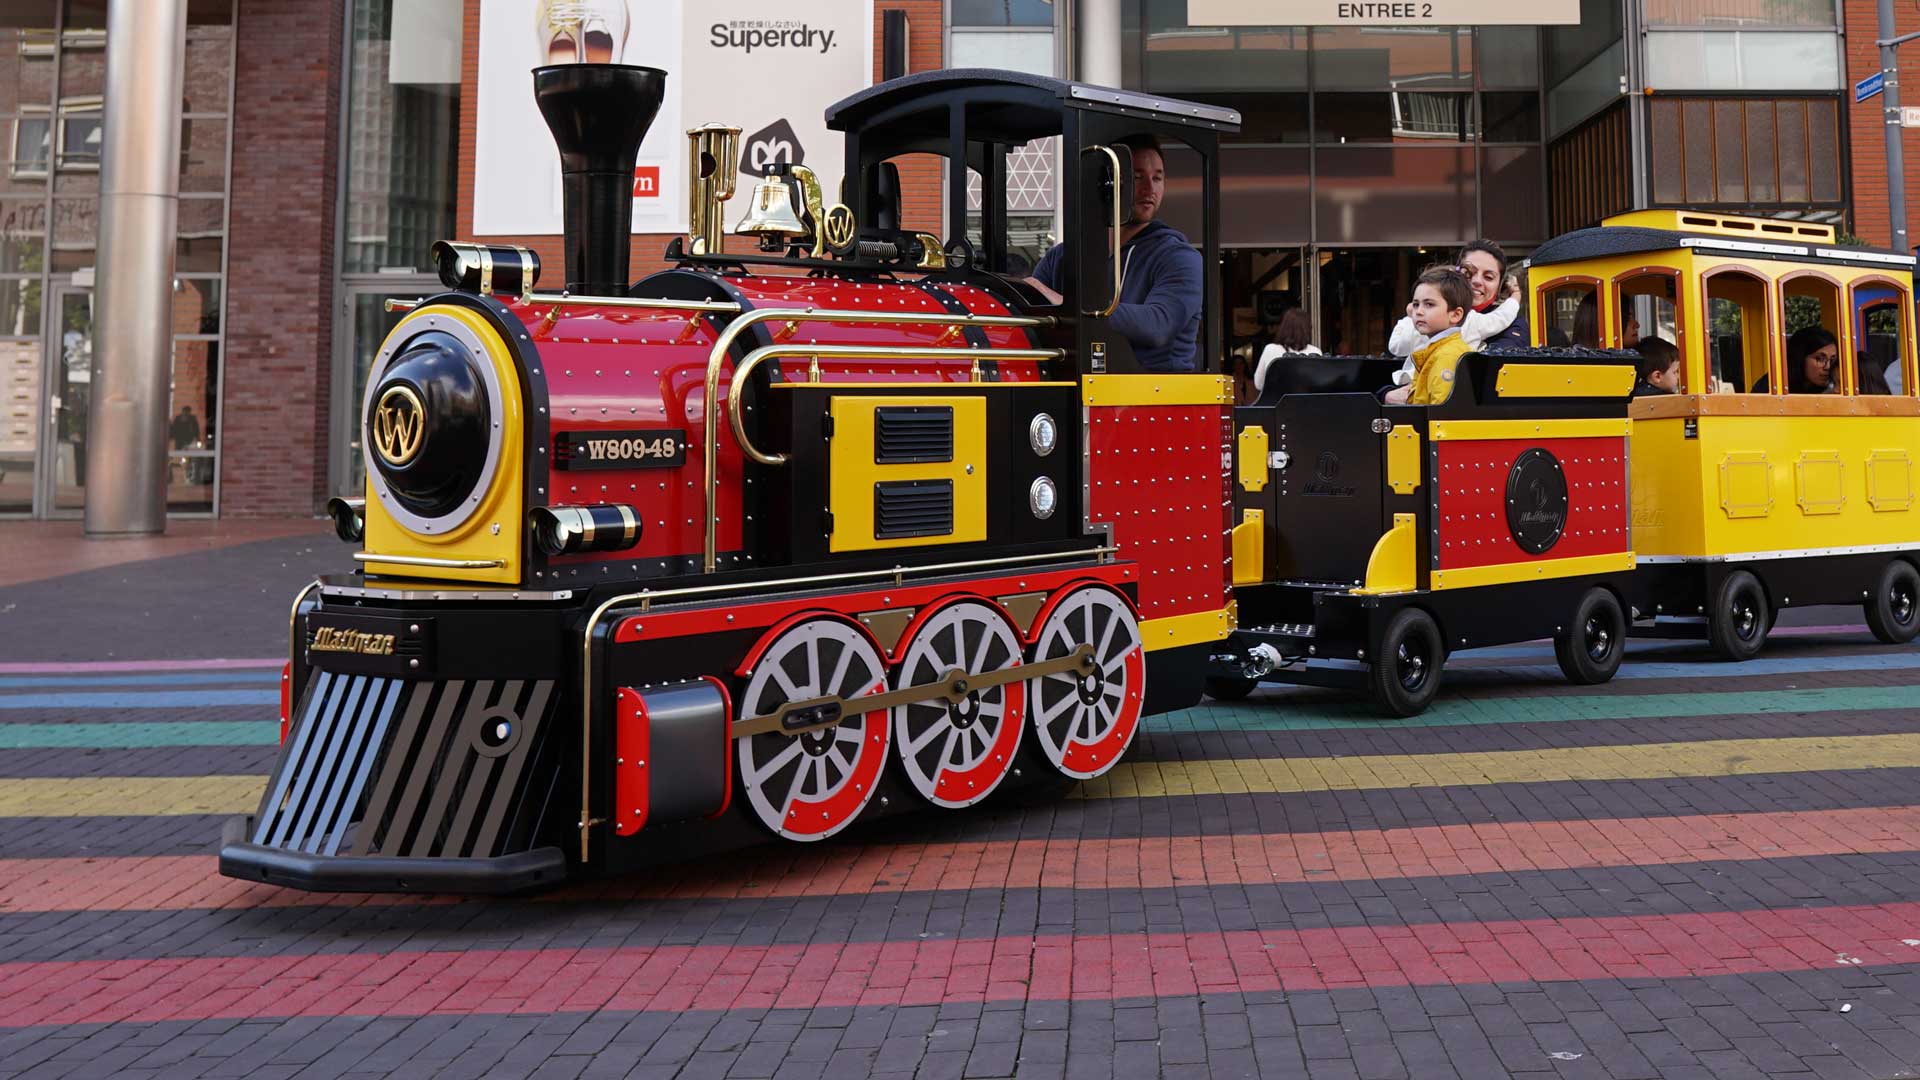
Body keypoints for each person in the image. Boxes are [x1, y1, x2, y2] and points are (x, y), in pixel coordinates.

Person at [1026, 134, 1203, 373]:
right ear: (1108, 182)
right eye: (1137, 177)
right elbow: (1033, 314)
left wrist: (1068, 306)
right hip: (1074, 387)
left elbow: (1158, 324)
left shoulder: (1179, 257)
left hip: (1155, 396)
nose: (1150, 188)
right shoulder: (1062, 256)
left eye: (1157, 178)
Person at [1388, 240, 1526, 385]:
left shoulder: (1511, 325)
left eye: (1488, 277)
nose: (1477, 281)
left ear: (1500, 286)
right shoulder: (1425, 319)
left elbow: (1492, 372)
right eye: (1468, 273)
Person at [1384, 265, 1473, 406]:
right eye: (1415, 304)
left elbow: (1440, 414)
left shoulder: (1446, 356)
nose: (1418, 311)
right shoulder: (1437, 350)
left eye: (1429, 304)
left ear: (1455, 315)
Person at [1251, 307, 1320, 393]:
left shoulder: (1271, 349)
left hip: (1278, 404)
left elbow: (1258, 384)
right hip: (1307, 404)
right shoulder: (1315, 351)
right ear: (1307, 329)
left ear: (1284, 327)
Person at [1785, 326, 1839, 394]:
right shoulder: (1773, 386)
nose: (1827, 367)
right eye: (1819, 359)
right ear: (1800, 357)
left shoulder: (1832, 391)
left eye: (1832, 360)